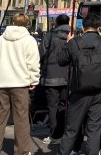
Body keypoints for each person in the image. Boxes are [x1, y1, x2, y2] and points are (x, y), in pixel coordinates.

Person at [57, 13, 101, 155]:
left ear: (83, 26)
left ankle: (64, 152)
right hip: (99, 90)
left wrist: (68, 43)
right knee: (94, 129)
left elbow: (61, 61)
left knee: (72, 127)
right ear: (99, 26)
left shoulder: (74, 42)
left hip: (78, 90)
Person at [0, 13, 40, 155]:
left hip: (2, 83)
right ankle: (22, 151)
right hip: (21, 83)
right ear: (27, 24)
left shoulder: (1, 39)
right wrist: (34, 79)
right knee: (21, 119)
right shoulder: (29, 40)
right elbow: (33, 63)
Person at [39, 13, 71, 145]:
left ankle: (55, 133)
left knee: (52, 106)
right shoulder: (73, 37)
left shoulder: (49, 36)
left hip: (51, 75)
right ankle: (64, 130)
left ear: (57, 23)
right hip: (68, 76)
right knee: (65, 105)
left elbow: (40, 53)